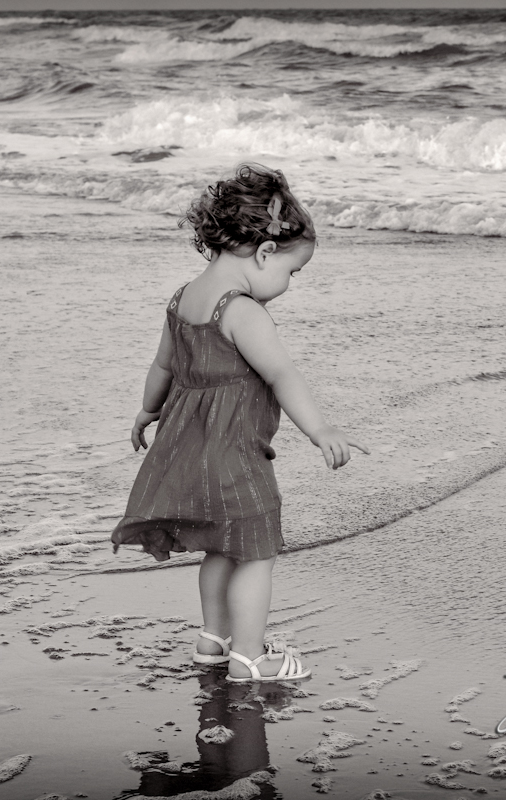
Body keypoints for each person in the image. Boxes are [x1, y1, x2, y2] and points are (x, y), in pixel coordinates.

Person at [111, 164, 367, 683]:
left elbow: (162, 365)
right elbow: (281, 375)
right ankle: (251, 658)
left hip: (186, 451)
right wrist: (321, 429)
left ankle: (214, 640)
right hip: (234, 456)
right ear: (266, 252)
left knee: (220, 547)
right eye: (292, 273)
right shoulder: (242, 310)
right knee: (254, 551)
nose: (289, 285)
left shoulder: (184, 297)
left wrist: (146, 410)